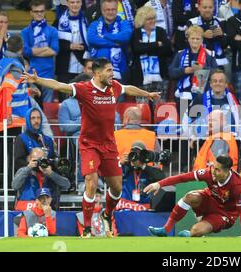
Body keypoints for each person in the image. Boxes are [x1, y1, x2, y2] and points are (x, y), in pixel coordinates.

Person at [21, 57, 160, 238]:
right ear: (97, 73)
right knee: (91, 182)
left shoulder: (114, 87)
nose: (113, 73)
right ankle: (87, 227)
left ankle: (106, 215)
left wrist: (146, 94)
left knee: (116, 188)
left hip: (109, 144)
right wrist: (38, 80)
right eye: (109, 70)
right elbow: (59, 86)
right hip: (89, 144)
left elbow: (128, 88)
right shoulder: (84, 89)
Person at [145, 155, 241, 237]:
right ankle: (166, 229)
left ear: (227, 172)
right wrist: (159, 184)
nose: (213, 171)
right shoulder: (208, 172)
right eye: (213, 167)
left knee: (195, 231)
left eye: (218, 170)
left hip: (225, 214)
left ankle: (192, 234)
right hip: (210, 200)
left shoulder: (237, 185)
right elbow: (183, 178)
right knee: (190, 196)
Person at [169, 25, 218, 122]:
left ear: (202, 40)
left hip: (203, 94)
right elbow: (171, 72)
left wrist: (203, 69)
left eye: (198, 39)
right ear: (188, 39)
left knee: (203, 124)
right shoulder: (180, 54)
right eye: (192, 38)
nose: (195, 41)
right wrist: (184, 71)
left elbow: (217, 74)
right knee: (185, 125)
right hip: (184, 95)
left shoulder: (209, 54)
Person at [130, 6, 172, 102]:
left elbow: (168, 50)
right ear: (142, 20)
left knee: (159, 110)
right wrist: (157, 44)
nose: (152, 21)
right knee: (143, 109)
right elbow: (136, 49)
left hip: (160, 78)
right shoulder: (136, 33)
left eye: (154, 18)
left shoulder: (161, 31)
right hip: (141, 78)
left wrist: (145, 47)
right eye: (149, 19)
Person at [21, 0, 59, 103]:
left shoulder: (52, 30)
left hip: (48, 74)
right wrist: (46, 49)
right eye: (36, 11)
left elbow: (54, 50)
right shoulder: (25, 32)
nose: (39, 13)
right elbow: (25, 51)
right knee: (31, 106)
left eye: (41, 11)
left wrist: (33, 50)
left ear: (45, 12)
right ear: (31, 13)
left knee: (47, 108)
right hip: (31, 74)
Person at [87, 0, 133, 81]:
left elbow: (125, 37)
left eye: (113, 9)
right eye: (108, 10)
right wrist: (115, 43)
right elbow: (91, 39)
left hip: (120, 72)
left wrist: (106, 36)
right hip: (98, 73)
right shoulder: (94, 24)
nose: (111, 12)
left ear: (117, 10)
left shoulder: (124, 23)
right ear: (102, 10)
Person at [53, 0, 89, 101]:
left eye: (78, 2)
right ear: (67, 4)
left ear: (81, 4)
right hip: (64, 67)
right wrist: (69, 46)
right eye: (72, 2)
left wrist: (83, 47)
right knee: (64, 99)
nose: (75, 5)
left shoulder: (87, 20)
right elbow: (54, 42)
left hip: (83, 65)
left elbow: (90, 40)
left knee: (83, 99)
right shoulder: (59, 21)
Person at [117, 141, 166, 211]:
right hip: (126, 208)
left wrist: (142, 166)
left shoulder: (148, 170)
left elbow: (162, 177)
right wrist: (119, 163)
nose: (135, 157)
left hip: (143, 210)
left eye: (139, 153)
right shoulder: (124, 167)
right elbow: (108, 176)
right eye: (133, 153)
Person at [187, 0, 228, 69]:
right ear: (199, 7)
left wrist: (222, 35)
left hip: (218, 62)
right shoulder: (192, 22)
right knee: (199, 80)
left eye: (210, 7)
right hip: (198, 62)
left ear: (214, 8)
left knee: (217, 80)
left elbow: (225, 45)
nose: (207, 10)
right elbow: (188, 44)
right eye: (205, 7)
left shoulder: (222, 22)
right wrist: (202, 35)